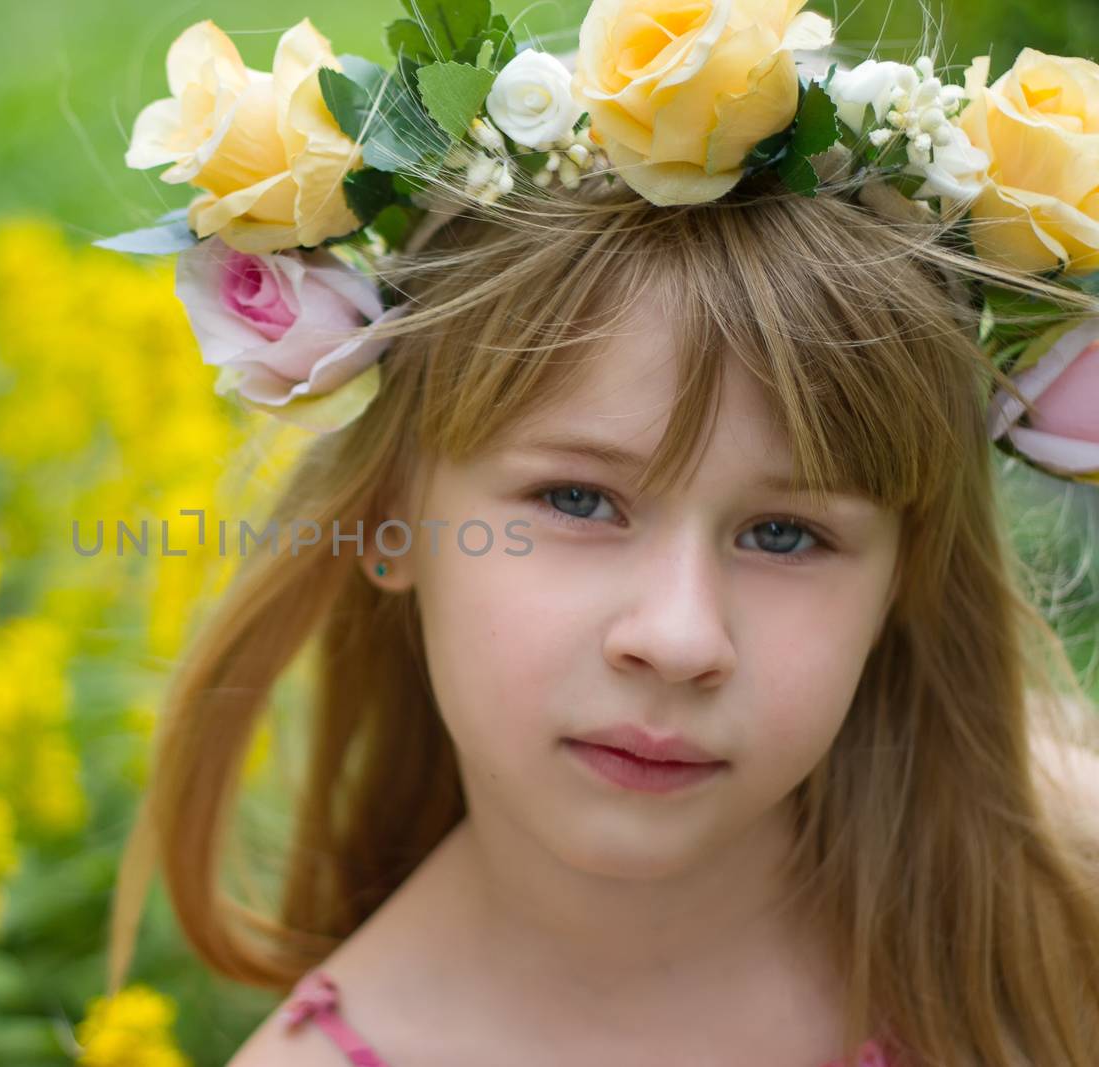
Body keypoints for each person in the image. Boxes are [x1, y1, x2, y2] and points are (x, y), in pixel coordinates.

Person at [99, 3, 1099, 1063]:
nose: (677, 638)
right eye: (578, 500)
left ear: (905, 574)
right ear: (390, 514)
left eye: (784, 534)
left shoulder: (1058, 901)